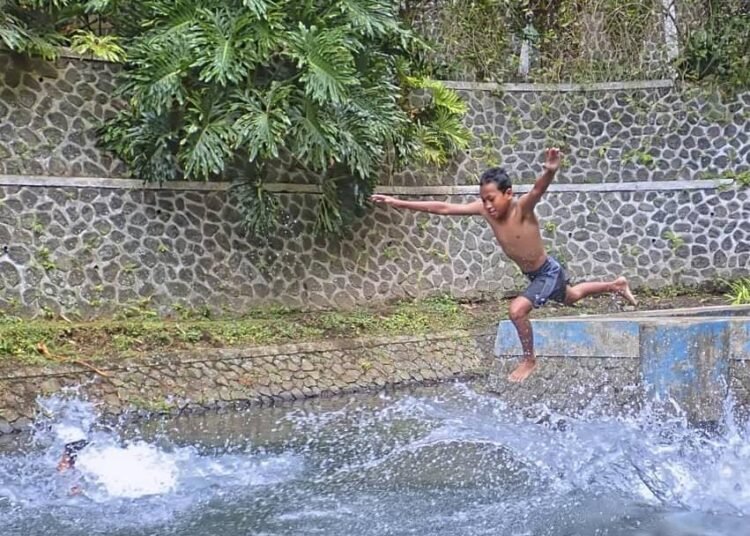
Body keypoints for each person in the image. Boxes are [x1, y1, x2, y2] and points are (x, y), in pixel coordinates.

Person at [370, 147, 637, 382]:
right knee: (572, 295)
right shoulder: (485, 210)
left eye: (491, 198)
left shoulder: (522, 209)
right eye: (483, 199)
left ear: (508, 193)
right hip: (537, 276)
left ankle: (529, 359)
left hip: (548, 271)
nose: (487, 204)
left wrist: (550, 170)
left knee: (517, 311)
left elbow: (538, 189)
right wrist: (397, 202)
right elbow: (444, 208)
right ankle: (615, 284)